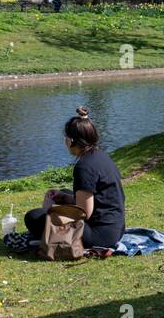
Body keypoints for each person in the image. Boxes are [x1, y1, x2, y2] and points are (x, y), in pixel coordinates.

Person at [25, 107, 125, 251]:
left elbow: (84, 213)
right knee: (65, 192)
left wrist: (50, 211)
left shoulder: (84, 167)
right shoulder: (101, 155)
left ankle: (50, 228)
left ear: (70, 141)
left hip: (101, 236)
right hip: (116, 227)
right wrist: (65, 198)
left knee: (33, 216)